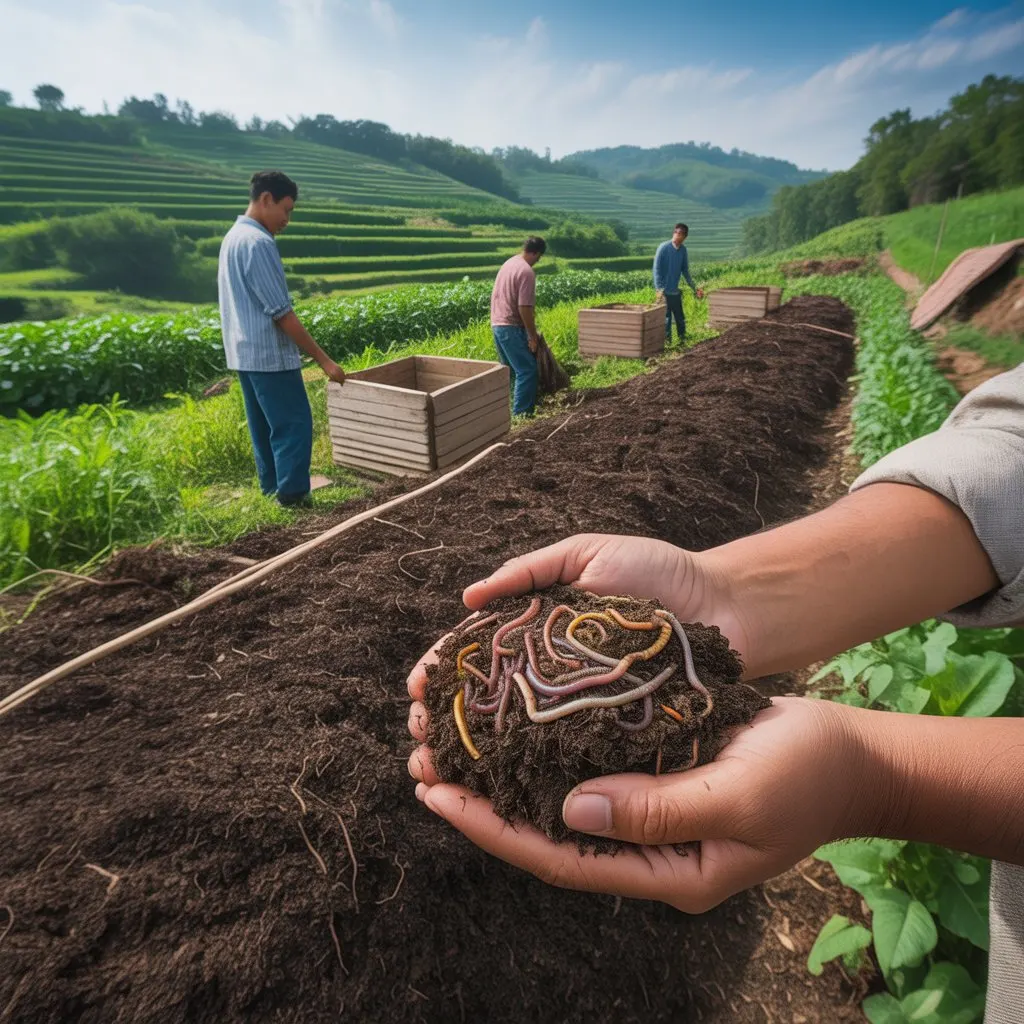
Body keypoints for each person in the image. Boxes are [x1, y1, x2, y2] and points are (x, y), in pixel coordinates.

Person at [406, 366, 1024, 1022]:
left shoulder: (648, 669)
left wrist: (877, 779)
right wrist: (721, 590)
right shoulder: (612, 643)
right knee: (530, 684)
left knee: (553, 688)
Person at [218, 170, 345, 506]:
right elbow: (281, 313)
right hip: (268, 353)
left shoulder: (233, 237)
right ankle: (293, 496)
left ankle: (273, 488)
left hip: (244, 353)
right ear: (266, 199)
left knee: (264, 426)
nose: (287, 219)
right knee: (293, 424)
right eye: (286, 210)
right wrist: (324, 360)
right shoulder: (258, 243)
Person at [490, 237, 546, 417]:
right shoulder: (526, 272)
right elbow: (524, 308)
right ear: (536, 253)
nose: (537, 261)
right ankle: (522, 415)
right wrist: (532, 336)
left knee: (511, 372)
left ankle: (508, 412)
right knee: (527, 371)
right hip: (511, 326)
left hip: (497, 324)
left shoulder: (509, 263)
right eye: (538, 258)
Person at [653, 223, 705, 343]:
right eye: (676, 232)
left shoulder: (683, 250)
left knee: (680, 318)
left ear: (685, 237)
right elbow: (656, 269)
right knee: (666, 320)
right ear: (673, 233)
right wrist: (659, 289)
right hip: (663, 292)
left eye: (681, 234)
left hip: (675, 291)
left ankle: (683, 340)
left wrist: (695, 288)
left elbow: (685, 271)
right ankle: (668, 343)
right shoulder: (663, 247)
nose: (677, 236)